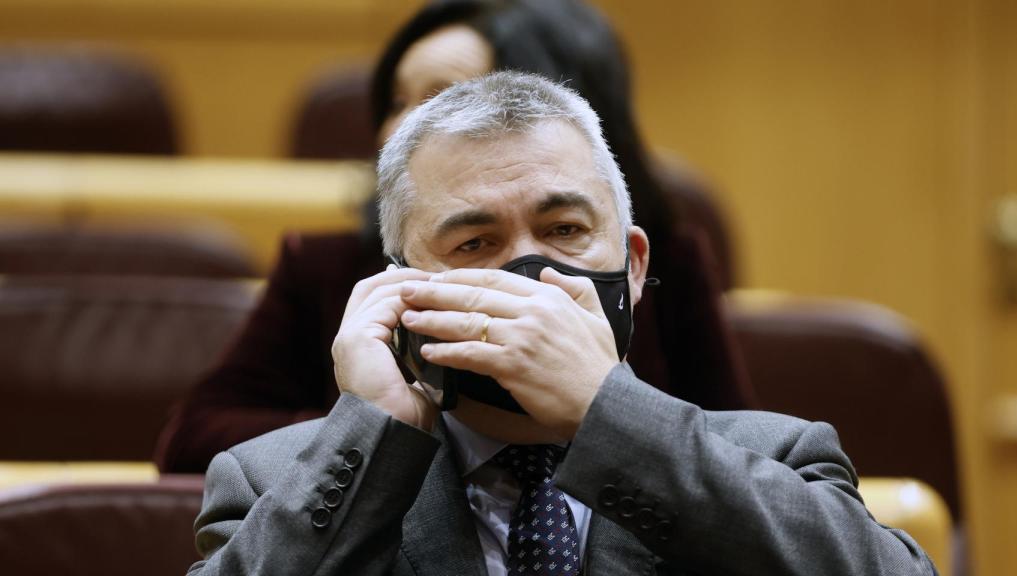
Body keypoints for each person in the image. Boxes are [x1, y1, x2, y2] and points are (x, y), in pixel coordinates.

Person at [188, 72, 935, 576]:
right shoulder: (277, 482)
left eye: (566, 231)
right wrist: (374, 429)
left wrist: (606, 413)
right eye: (475, 243)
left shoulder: (777, 458)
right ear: (399, 289)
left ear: (634, 268)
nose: (533, 279)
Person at [155, 0, 752, 474]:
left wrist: (603, 412)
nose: (401, 128)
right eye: (396, 101)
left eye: (444, 97)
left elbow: (736, 449)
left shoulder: (654, 263)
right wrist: (401, 425)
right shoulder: (333, 268)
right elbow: (196, 437)